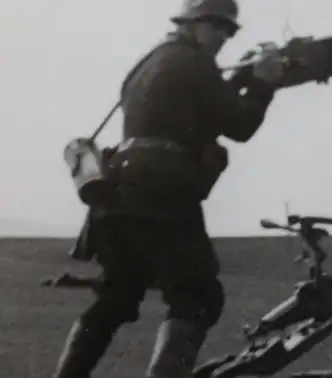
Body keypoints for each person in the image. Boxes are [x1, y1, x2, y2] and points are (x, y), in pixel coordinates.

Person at [50, 0, 283, 377]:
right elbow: (240, 125)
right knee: (198, 297)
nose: (224, 36)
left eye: (230, 30)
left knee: (116, 298)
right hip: (162, 196)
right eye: (217, 26)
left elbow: (182, 106)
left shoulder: (151, 62)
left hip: (116, 196)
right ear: (192, 24)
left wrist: (236, 83)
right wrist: (262, 84)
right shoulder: (194, 64)